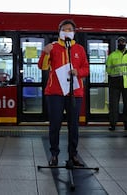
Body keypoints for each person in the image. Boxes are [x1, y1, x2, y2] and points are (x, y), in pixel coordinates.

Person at [38, 19, 89, 167]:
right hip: (55, 93)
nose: (67, 32)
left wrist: (77, 72)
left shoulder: (79, 49)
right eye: (64, 29)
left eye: (70, 30)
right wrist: (45, 53)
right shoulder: (52, 47)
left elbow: (86, 69)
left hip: (75, 93)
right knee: (55, 125)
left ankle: (73, 155)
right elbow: (42, 66)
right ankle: (54, 155)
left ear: (74, 32)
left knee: (74, 126)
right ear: (59, 31)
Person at [106, 36, 127, 131]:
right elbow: (108, 69)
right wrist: (115, 77)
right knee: (113, 105)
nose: (121, 44)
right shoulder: (112, 55)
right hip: (115, 83)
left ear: (126, 44)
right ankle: (113, 124)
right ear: (117, 43)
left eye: (123, 42)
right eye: (120, 42)